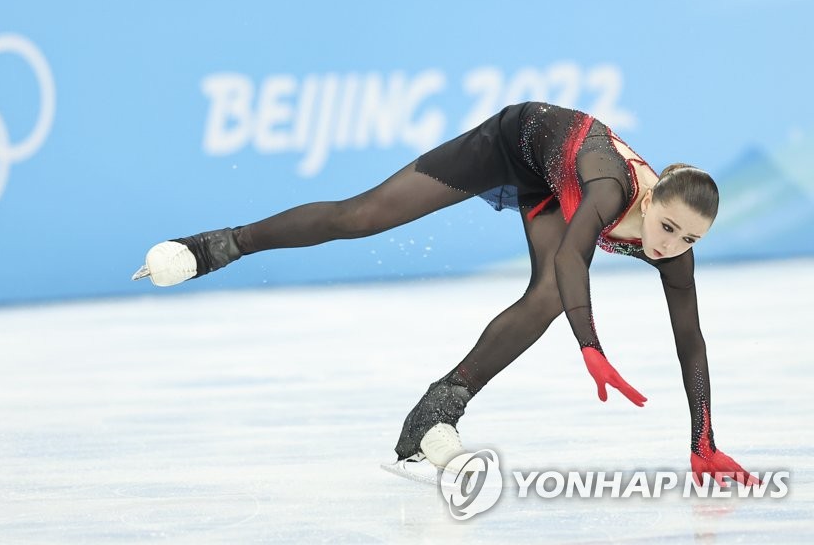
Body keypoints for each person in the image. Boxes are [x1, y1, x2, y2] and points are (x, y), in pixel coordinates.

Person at [133, 101, 759, 486]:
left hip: (551, 187)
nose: (670, 246)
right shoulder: (608, 190)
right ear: (648, 200)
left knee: (544, 299)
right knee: (362, 216)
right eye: (667, 227)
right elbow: (574, 255)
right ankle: (215, 246)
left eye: (689, 240)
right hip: (515, 143)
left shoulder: (676, 250)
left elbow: (691, 340)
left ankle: (438, 410)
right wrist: (590, 346)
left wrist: (702, 440)